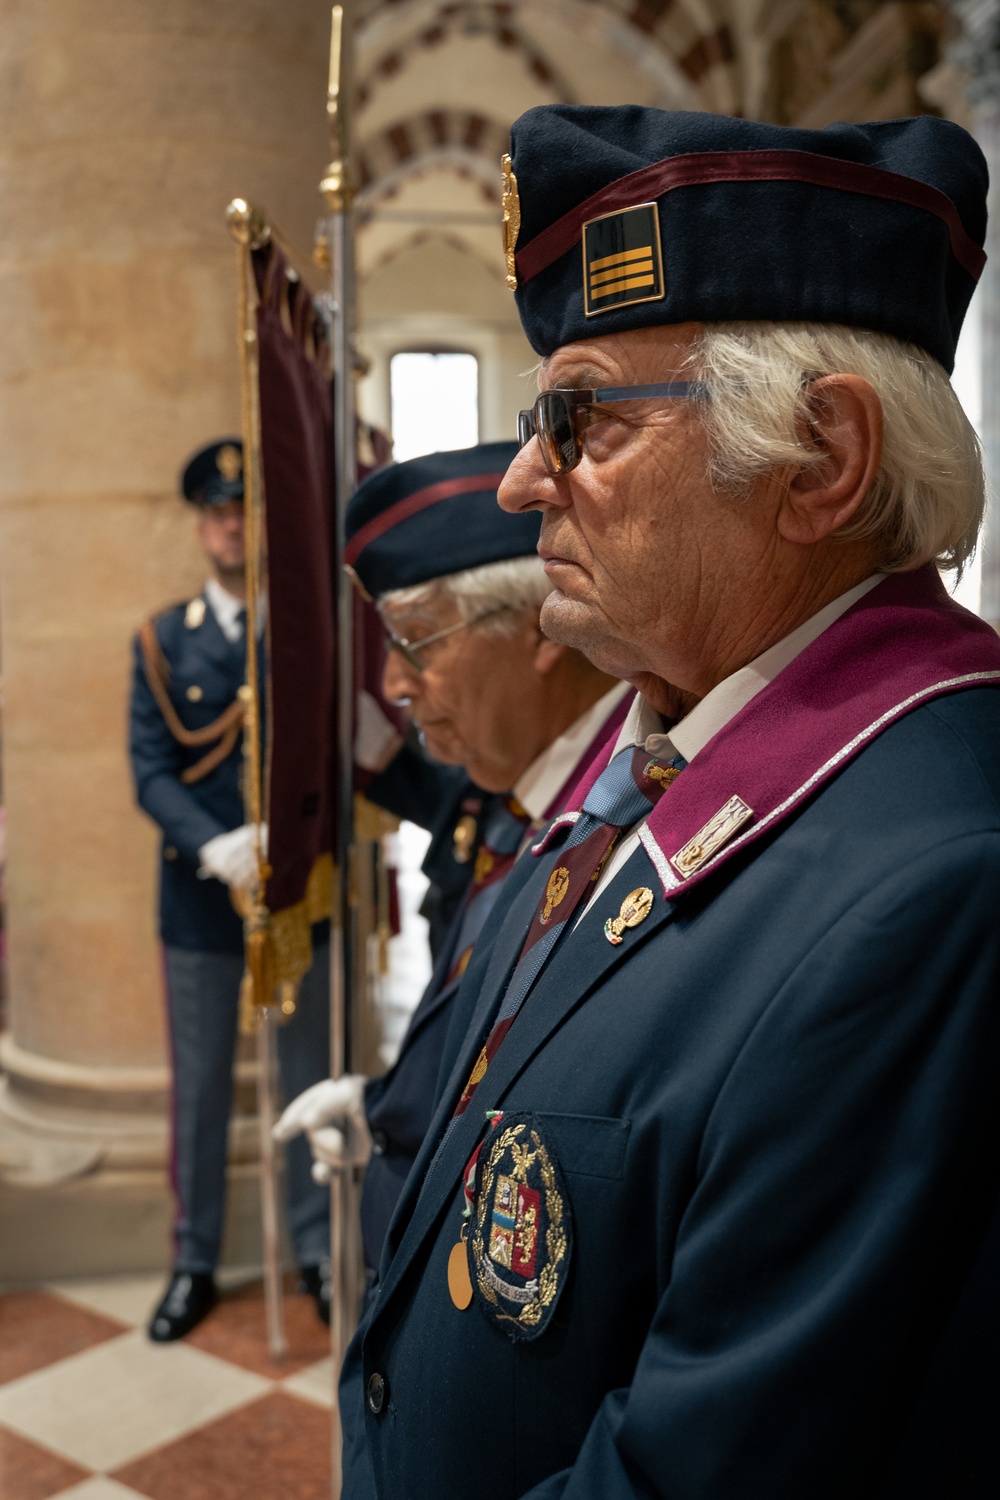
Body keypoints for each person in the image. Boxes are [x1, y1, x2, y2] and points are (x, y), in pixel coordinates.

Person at [339, 108, 1000, 1499]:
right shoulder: (683, 747)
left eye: (580, 417)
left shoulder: (935, 879)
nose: (522, 478)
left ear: (819, 463)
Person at [274, 442, 629, 1279]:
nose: (393, 684)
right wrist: (384, 1108)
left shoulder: (614, 814)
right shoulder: (528, 790)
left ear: (541, 622)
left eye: (417, 641)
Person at [129, 438, 332, 1341]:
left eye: (241, 510)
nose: (227, 525)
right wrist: (214, 846)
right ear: (200, 526)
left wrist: (278, 841)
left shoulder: (300, 632)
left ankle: (319, 1251)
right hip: (202, 903)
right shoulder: (163, 641)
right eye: (214, 511)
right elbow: (150, 768)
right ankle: (194, 1260)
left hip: (291, 893)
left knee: (304, 1082)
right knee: (202, 1091)